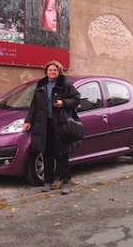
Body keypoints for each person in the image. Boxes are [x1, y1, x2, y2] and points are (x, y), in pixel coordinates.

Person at [22, 60, 80, 194]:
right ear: (46, 72)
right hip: (43, 124)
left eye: (55, 70)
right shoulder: (41, 85)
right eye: (50, 70)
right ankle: (48, 181)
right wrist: (28, 120)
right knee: (46, 153)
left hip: (59, 124)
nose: (52, 72)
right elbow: (34, 105)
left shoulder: (65, 84)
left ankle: (66, 182)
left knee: (61, 153)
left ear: (59, 71)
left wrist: (63, 103)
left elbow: (76, 99)